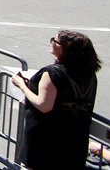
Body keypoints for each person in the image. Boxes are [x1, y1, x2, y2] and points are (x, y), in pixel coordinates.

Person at [13, 30, 100, 170]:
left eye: (56, 41)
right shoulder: (89, 74)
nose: (52, 42)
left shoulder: (52, 73)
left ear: (66, 49)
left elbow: (43, 105)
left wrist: (21, 85)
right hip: (75, 142)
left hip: (47, 143)